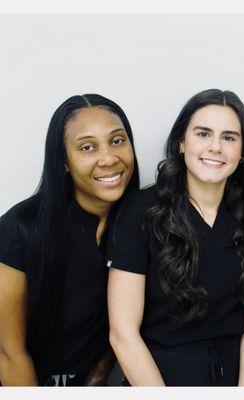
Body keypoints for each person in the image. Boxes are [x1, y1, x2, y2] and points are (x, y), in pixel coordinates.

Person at [107, 89, 244, 386]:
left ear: (243, 152)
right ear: (181, 142)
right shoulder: (142, 211)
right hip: (159, 380)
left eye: (229, 137)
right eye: (203, 134)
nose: (216, 147)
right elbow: (122, 334)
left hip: (231, 377)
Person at [0, 94, 139, 386]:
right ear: (63, 161)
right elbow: (8, 353)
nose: (109, 158)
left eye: (117, 141)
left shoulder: (141, 224)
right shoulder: (20, 228)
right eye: (88, 147)